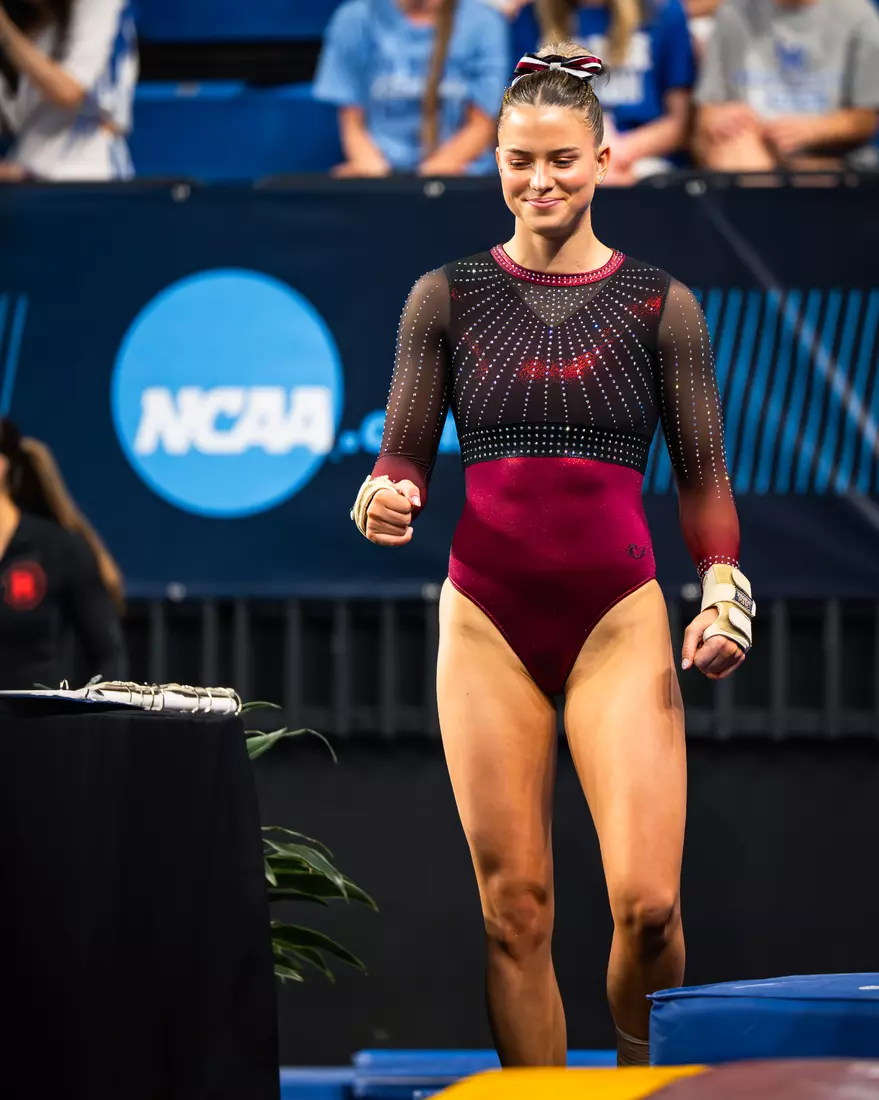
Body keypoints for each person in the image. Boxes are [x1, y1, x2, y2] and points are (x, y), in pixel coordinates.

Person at [350, 41, 755, 1066]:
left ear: (606, 157)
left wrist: (722, 589)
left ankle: (638, 1081)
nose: (541, 182)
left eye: (563, 161)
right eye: (521, 161)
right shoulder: (442, 297)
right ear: (495, 161)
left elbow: (704, 477)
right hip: (485, 620)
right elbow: (402, 454)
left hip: (619, 616)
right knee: (514, 913)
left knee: (650, 907)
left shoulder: (663, 305)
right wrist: (384, 495)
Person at [313, 0, 509, 177]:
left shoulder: (483, 22)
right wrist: (377, 178)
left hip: (458, 174)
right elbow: (352, 122)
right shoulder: (355, 18)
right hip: (379, 171)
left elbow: (482, 124)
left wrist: (427, 182)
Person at [0, 418, 126, 690]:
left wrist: (81, 716)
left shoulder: (57, 548)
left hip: (37, 725)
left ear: (2, 465)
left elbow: (108, 654)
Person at [512, 0, 696, 184]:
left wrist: (618, 153)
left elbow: (680, 124)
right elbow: (521, 119)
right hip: (561, 157)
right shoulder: (532, 19)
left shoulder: (662, 12)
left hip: (645, 162)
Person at [694, 0, 879, 172]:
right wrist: (724, 118)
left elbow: (865, 119)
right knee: (732, 144)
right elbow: (708, 113)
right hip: (752, 147)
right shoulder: (733, 13)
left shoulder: (858, 16)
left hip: (831, 159)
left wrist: (812, 130)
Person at [0, 0, 138, 181]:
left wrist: (5, 31)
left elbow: (71, 91)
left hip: (87, 180)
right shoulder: (38, 29)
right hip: (28, 180)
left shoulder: (102, 5)